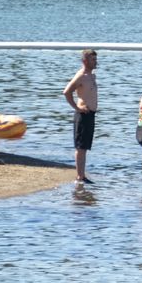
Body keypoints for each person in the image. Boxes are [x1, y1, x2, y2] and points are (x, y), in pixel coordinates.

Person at [63, 49, 98, 183]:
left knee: (85, 147)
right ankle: (80, 177)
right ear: (85, 61)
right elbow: (66, 92)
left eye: (95, 59)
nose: (95, 62)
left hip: (90, 114)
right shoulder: (81, 76)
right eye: (92, 60)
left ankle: (82, 174)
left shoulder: (91, 75)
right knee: (81, 147)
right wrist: (77, 107)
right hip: (83, 115)